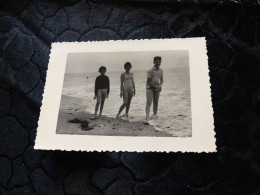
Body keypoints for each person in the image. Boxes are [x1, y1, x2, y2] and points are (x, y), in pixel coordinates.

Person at [144, 56, 163, 125]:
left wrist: (160, 86)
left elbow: (162, 80)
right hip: (150, 88)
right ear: (154, 62)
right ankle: (146, 119)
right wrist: (156, 86)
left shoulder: (161, 71)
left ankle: (155, 116)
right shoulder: (150, 70)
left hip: (156, 88)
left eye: (159, 62)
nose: (158, 63)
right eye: (156, 62)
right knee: (149, 103)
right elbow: (148, 82)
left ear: (161, 62)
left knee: (156, 102)